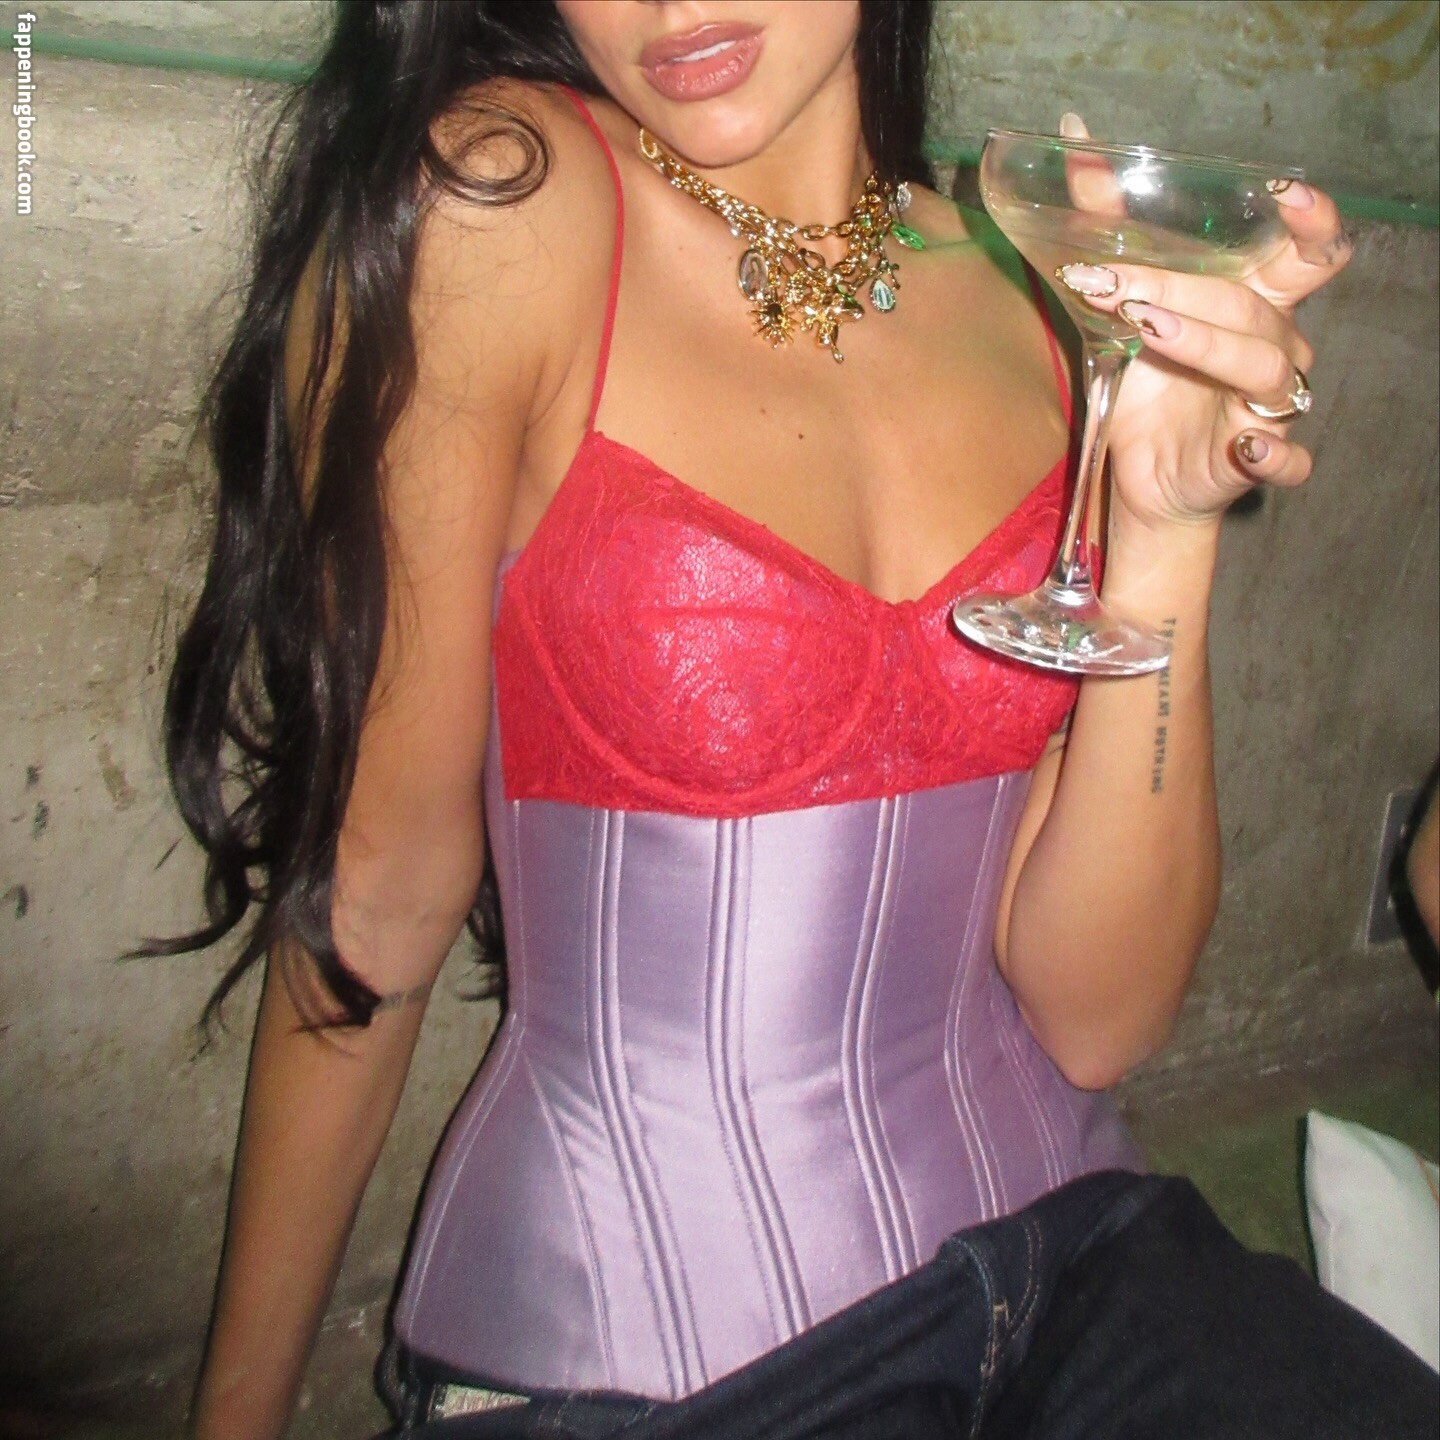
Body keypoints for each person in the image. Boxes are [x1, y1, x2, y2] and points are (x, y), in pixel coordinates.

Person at [162, 3, 1437, 1437]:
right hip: (651, 1354)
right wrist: (236, 1418)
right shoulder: (502, 200)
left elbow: (1097, 1021)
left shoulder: (1026, 280)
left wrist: (1164, 533)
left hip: (1086, 1268)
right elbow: (381, 903)